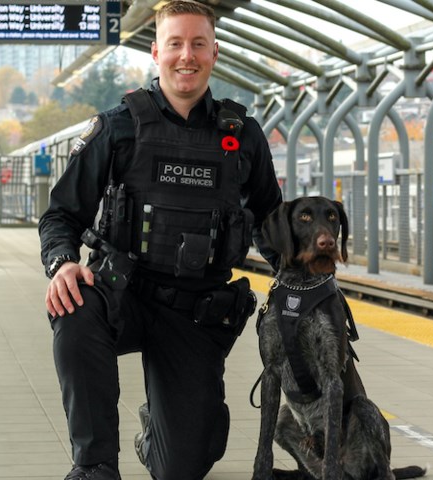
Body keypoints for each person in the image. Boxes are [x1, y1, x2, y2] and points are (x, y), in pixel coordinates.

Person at [38, 1, 282, 478]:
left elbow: (270, 220)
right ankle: (95, 465)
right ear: (156, 51)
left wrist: (304, 283)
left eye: (197, 44)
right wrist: (63, 262)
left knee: (182, 468)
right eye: (175, 44)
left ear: (215, 51)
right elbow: (61, 215)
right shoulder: (118, 127)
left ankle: (163, 430)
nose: (185, 56)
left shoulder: (243, 136)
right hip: (120, 296)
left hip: (195, 311)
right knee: (73, 305)